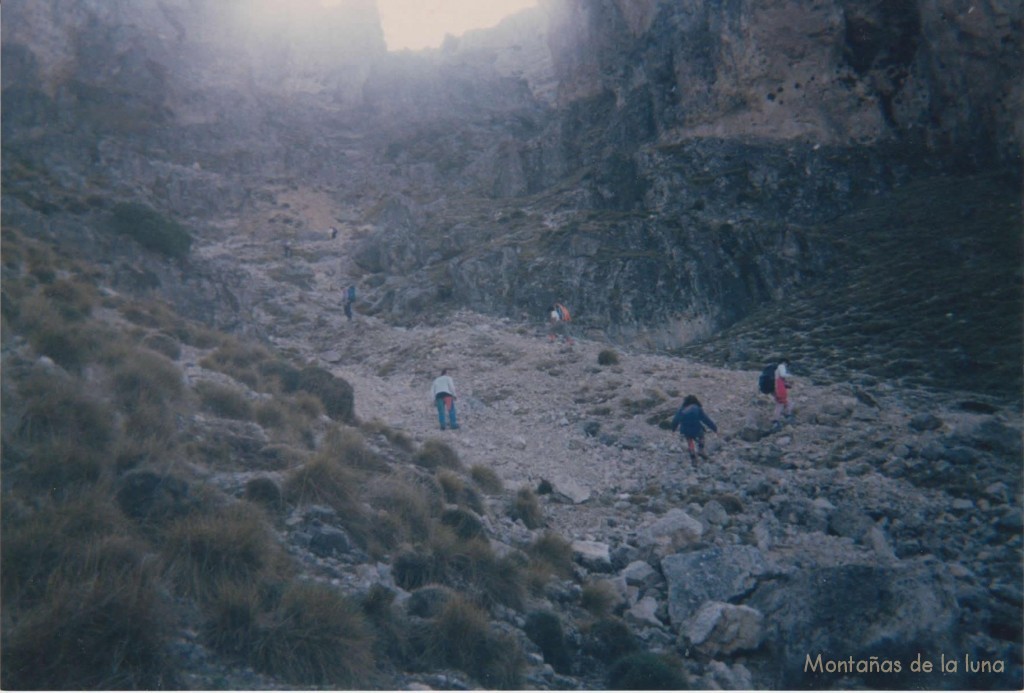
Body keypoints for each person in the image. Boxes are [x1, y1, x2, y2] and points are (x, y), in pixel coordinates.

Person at [671, 394, 718, 464]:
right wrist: (714, 428)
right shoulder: (697, 408)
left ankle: (693, 458)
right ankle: (701, 450)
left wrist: (673, 429)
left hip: (685, 429)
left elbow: (675, 420)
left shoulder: (681, 409)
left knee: (690, 441)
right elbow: (706, 419)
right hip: (696, 428)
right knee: (701, 437)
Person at [772, 358, 794, 430]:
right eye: (787, 364)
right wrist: (790, 375)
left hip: (776, 388)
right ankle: (777, 422)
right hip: (779, 388)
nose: (787, 366)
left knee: (783, 404)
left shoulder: (776, 370)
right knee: (780, 405)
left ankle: (787, 416)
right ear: (785, 362)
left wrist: (786, 385)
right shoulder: (781, 366)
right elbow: (783, 375)